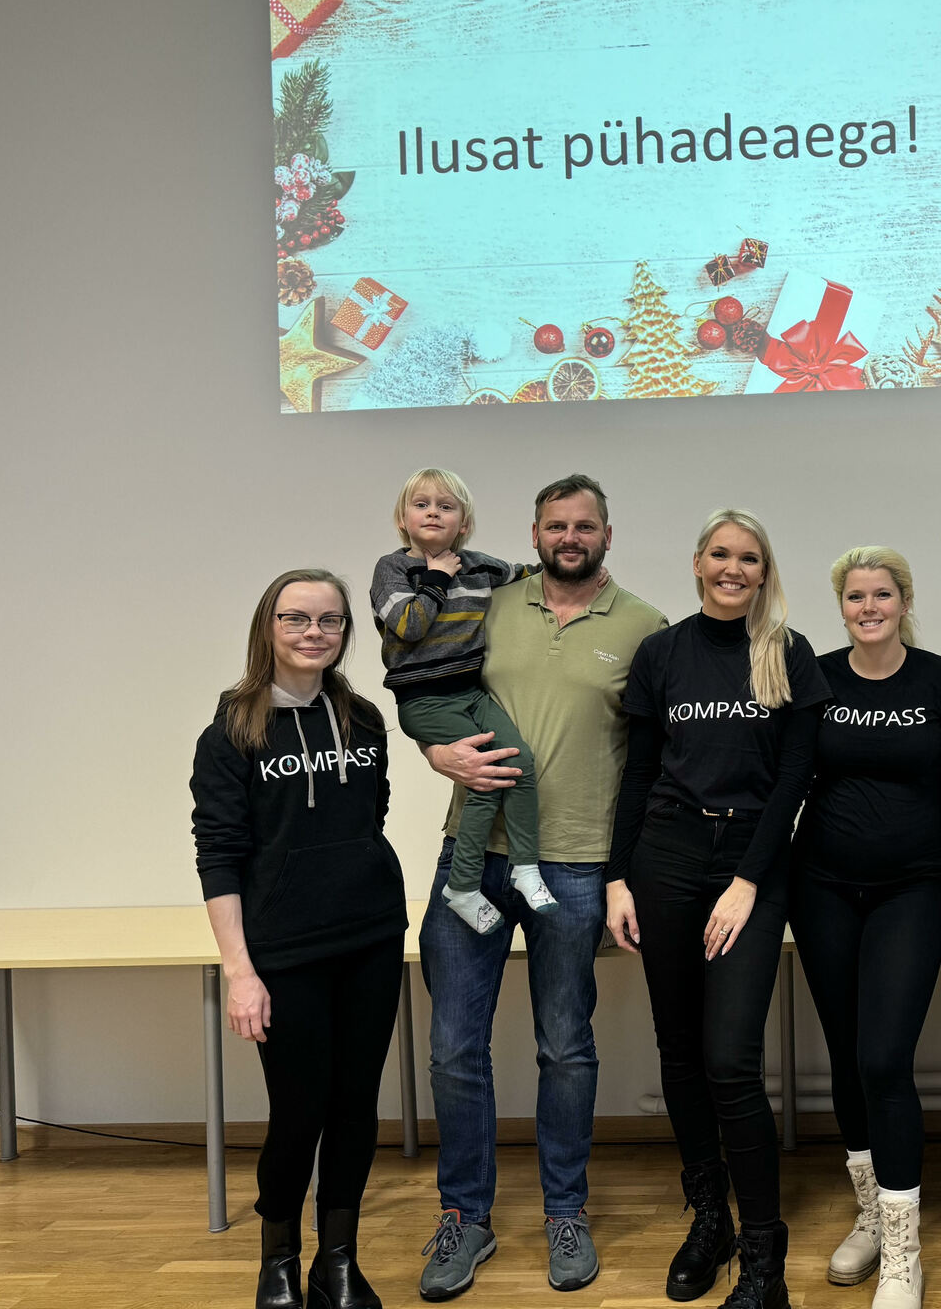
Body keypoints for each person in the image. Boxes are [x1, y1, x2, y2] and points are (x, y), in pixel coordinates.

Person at [414, 474, 667, 1300]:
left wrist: (629, 872)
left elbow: (653, 760)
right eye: (556, 525)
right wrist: (436, 753)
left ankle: (565, 1211)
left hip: (576, 864)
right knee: (454, 1048)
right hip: (473, 852)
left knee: (565, 1045)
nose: (569, 537)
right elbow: (430, 688)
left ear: (607, 534)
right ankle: (465, 1216)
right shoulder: (487, 605)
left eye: (584, 525)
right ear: (532, 534)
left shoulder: (645, 627)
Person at [606, 508, 831, 1309]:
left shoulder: (788, 653)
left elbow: (795, 780)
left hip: (750, 861)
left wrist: (747, 880)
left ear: (765, 573)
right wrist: (617, 878)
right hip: (664, 856)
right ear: (698, 563)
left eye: (750, 558)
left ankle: (764, 1257)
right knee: (679, 1050)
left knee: (731, 1058)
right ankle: (711, 1221)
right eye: (721, 554)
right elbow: (639, 772)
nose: (734, 568)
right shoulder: (662, 653)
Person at [191, 569, 407, 1309]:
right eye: (297, 618)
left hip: (370, 937)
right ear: (269, 627)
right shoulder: (232, 732)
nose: (314, 633)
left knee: (356, 1105)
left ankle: (337, 1261)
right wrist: (240, 972)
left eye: (330, 620)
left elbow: (371, 815)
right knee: (299, 1110)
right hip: (284, 953)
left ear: (346, 631)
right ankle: (278, 1259)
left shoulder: (363, 719)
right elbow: (219, 856)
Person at [790, 546, 941, 1309]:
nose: (869, 608)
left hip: (910, 887)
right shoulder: (816, 676)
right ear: (842, 606)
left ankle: (904, 1252)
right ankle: (870, 1214)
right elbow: (791, 779)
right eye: (856, 596)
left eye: (882, 595)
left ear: (904, 601)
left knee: (884, 1059)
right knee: (846, 1056)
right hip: (821, 887)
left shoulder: (940, 679)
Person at [371, 467, 551, 934]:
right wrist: (436, 577)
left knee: (520, 763)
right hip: (425, 701)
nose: (433, 513)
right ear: (402, 519)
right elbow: (409, 625)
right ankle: (464, 886)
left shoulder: (478, 565)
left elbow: (530, 574)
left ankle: (525, 867)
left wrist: (585, 579)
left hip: (471, 693)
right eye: (422, 505)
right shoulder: (392, 570)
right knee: (485, 781)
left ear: (464, 523)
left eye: (446, 506)